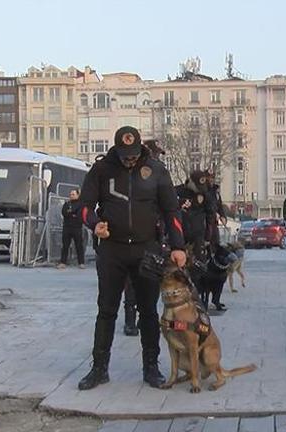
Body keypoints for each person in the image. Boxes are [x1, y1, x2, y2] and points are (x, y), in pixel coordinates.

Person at [77, 126, 187, 390]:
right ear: (117, 149)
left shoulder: (156, 169)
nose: (130, 159)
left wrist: (178, 246)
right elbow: (84, 205)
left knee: (148, 311)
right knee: (106, 311)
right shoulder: (102, 169)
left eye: (134, 154)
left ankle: (151, 368)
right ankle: (99, 368)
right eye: (125, 155)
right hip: (112, 250)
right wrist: (94, 224)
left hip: (146, 249)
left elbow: (171, 209)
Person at [176, 170, 219, 308]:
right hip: (180, 236)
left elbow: (210, 215)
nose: (199, 192)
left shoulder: (205, 194)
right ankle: (181, 295)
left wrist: (208, 236)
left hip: (198, 236)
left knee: (198, 266)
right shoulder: (178, 191)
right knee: (179, 267)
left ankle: (198, 297)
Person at [58, 189, 86, 269]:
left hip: (77, 228)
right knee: (65, 245)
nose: (71, 196)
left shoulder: (81, 204)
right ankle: (63, 262)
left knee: (79, 246)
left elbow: (79, 214)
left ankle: (81, 262)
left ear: (77, 195)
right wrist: (72, 213)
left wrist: (71, 213)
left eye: (73, 194)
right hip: (67, 227)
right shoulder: (67, 204)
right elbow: (64, 213)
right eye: (70, 194)